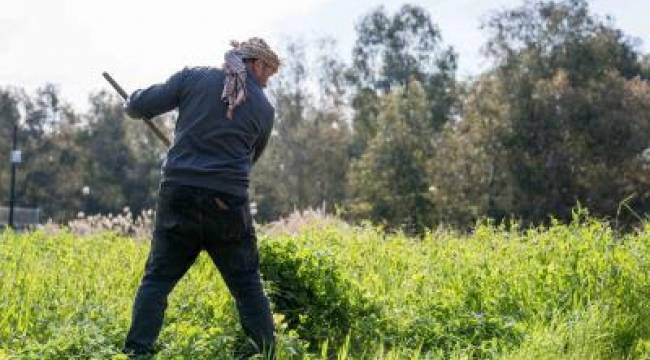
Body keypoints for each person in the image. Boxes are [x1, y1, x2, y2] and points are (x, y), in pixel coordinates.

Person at [121, 38, 280, 358]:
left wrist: (132, 101)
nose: (267, 80)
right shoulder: (263, 109)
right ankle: (264, 352)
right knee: (247, 282)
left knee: (158, 279)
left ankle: (137, 352)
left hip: (179, 194)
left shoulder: (193, 78)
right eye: (268, 72)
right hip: (227, 204)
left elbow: (140, 106)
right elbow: (250, 159)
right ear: (254, 64)